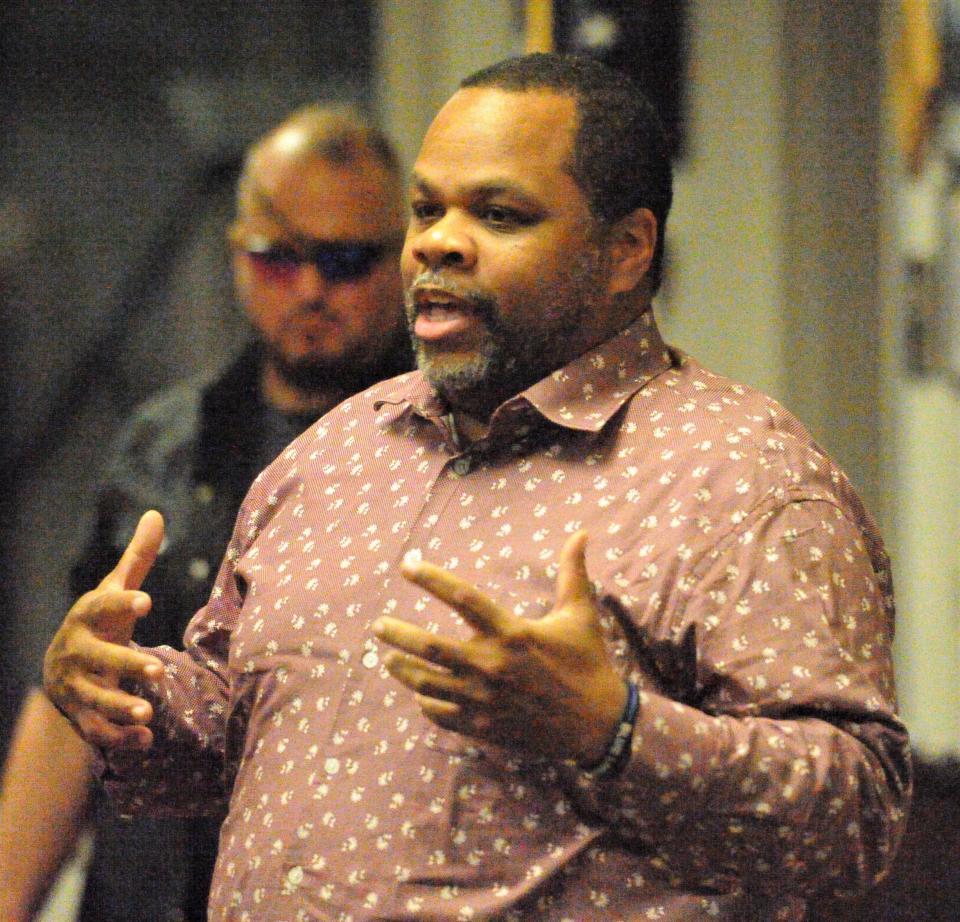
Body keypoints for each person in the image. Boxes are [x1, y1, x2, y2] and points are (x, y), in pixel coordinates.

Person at [41, 53, 911, 921]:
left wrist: (615, 733)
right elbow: (233, 735)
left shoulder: (741, 479)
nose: (437, 242)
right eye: (427, 209)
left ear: (627, 250)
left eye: (497, 213)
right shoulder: (334, 452)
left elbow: (857, 824)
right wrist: (129, 696)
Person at [0, 103, 410, 922]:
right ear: (236, 255)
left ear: (403, 260)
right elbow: (76, 696)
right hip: (145, 892)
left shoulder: (446, 448)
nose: (311, 289)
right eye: (276, 257)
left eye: (347, 260)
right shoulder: (165, 440)